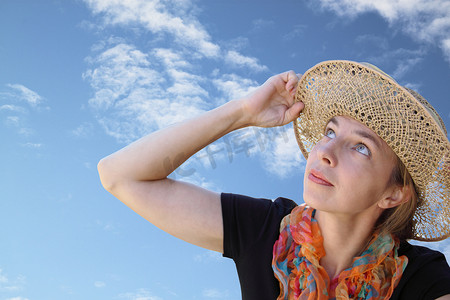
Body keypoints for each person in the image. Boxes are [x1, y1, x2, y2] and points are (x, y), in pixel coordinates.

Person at [97, 60, 450, 299]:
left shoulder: (421, 277)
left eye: (361, 148)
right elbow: (120, 176)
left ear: (393, 194)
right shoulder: (264, 228)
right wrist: (242, 113)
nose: (325, 151)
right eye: (330, 131)